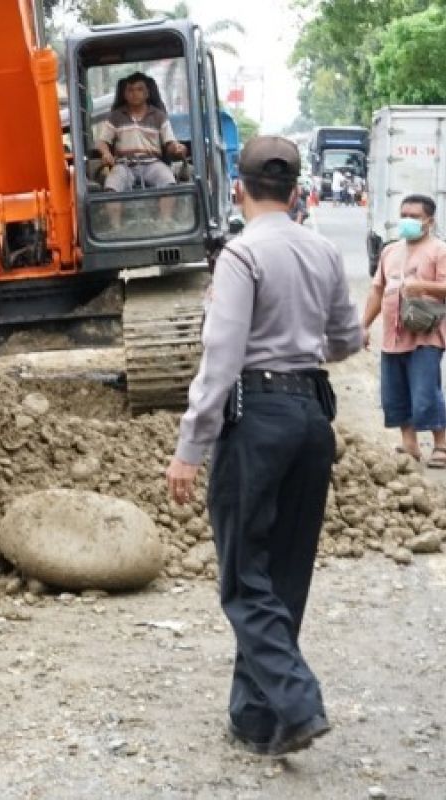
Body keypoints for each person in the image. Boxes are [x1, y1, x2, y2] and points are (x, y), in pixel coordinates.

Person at [165, 136, 363, 757]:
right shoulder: (325, 250)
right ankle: (256, 719)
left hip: (256, 419)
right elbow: (347, 339)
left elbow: (221, 359)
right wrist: (298, 351)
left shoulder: (240, 255)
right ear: (298, 189)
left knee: (244, 578)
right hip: (312, 419)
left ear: (238, 188)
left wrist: (189, 445)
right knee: (284, 574)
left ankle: (299, 703)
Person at [361, 194, 446, 466]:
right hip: (392, 335)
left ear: (429, 221)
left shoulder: (439, 251)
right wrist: (363, 325)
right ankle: (409, 445)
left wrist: (423, 287)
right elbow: (377, 290)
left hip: (426, 335)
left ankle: (441, 445)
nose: (407, 221)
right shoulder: (390, 251)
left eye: (414, 217)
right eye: (404, 215)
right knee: (394, 392)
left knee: (425, 392)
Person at [95, 72, 188, 226]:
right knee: (111, 186)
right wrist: (105, 153)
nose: (134, 94)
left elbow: (170, 143)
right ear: (124, 94)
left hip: (152, 163)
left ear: (146, 93)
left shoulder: (159, 116)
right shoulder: (116, 117)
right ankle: (116, 229)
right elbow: (102, 142)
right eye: (130, 90)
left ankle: (165, 224)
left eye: (139, 89)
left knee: (168, 181)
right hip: (124, 165)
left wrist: (177, 148)